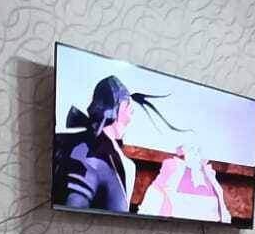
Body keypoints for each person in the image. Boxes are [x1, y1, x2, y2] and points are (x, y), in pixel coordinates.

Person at [53, 76, 182, 212]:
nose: (132, 113)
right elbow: (72, 209)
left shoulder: (119, 158)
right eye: (129, 106)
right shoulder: (87, 152)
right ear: (121, 108)